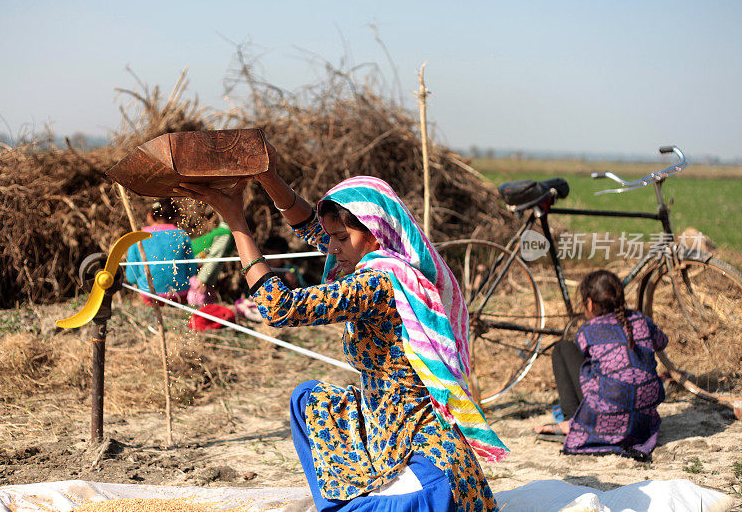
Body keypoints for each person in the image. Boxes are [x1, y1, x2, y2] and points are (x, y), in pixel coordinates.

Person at [176, 143, 506, 512]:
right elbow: (311, 226)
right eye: (330, 238)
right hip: (386, 427)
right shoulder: (379, 263)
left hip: (423, 446)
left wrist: (235, 222)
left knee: (396, 503)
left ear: (375, 232)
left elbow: (279, 308)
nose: (330, 249)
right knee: (307, 398)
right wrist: (267, 175)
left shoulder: (378, 282)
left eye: (340, 238)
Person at [534, 269, 669, 461]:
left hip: (607, 415)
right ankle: (576, 420)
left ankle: (572, 421)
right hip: (642, 423)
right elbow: (662, 342)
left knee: (562, 349)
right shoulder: (640, 320)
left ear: (589, 303)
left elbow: (586, 363)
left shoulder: (587, 331)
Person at [125, 198, 197, 305]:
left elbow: (131, 276)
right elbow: (191, 270)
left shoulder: (139, 237)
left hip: (149, 292)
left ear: (151, 215)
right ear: (175, 216)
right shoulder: (182, 235)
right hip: (180, 293)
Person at [188, 217, 234, 306]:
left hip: (196, 268)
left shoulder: (223, 232)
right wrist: (202, 279)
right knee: (197, 299)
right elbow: (214, 258)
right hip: (192, 268)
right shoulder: (225, 234)